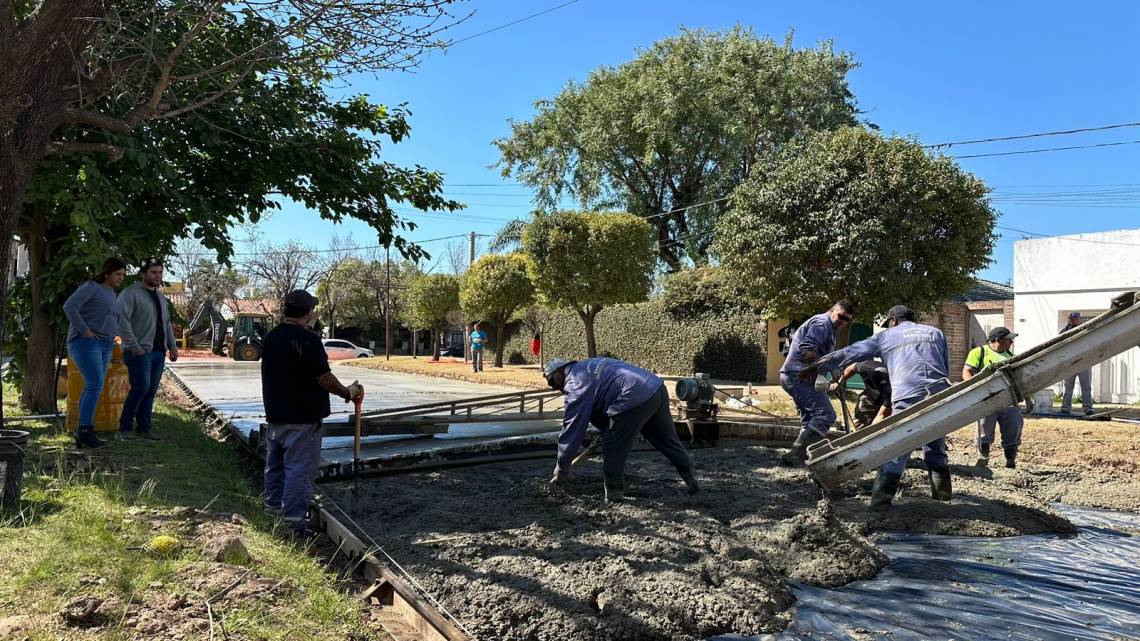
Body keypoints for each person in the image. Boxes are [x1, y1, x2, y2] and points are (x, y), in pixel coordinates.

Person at [801, 305, 952, 512]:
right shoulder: (936, 333)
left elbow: (851, 352)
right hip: (940, 393)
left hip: (908, 393)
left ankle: (880, 504)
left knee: (898, 445)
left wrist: (819, 365)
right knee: (935, 440)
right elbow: (945, 367)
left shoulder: (886, 336)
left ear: (893, 321)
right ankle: (942, 496)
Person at [261, 290, 363, 537]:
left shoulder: (271, 337)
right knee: (299, 469)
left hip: (276, 413)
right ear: (307, 313)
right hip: (302, 417)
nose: (314, 313)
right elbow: (324, 378)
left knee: (274, 466)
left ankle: (271, 513)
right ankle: (293, 524)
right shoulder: (308, 339)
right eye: (313, 309)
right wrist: (347, 392)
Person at [544, 357, 699, 502]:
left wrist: (561, 468)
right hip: (655, 388)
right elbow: (607, 393)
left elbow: (572, 428)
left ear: (560, 371)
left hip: (631, 398)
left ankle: (614, 496)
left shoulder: (575, 382)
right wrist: (607, 428)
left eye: (552, 382)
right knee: (667, 440)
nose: (556, 388)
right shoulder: (589, 364)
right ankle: (692, 481)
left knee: (613, 448)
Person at [779, 300, 855, 465]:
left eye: (847, 320)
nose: (843, 322)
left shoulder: (831, 328)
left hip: (796, 376)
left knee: (810, 419)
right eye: (841, 317)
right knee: (826, 415)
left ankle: (797, 459)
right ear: (832, 310)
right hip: (799, 376)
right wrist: (814, 370)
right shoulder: (822, 323)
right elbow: (808, 347)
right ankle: (795, 454)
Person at [63, 258, 128, 449]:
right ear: (107, 273)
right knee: (94, 384)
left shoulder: (112, 294)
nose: (121, 278)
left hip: (106, 344)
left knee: (94, 386)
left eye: (123, 275)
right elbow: (69, 306)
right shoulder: (92, 286)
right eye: (118, 274)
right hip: (86, 342)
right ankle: (85, 430)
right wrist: (84, 330)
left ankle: (83, 431)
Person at [116, 258, 179, 441]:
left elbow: (166, 323)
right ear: (143, 274)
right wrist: (134, 346)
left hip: (159, 352)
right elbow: (122, 321)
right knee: (139, 388)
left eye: (160, 272)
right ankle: (124, 429)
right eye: (153, 272)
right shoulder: (130, 293)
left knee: (150, 391)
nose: (157, 276)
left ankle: (145, 429)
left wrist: (173, 346)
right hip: (139, 352)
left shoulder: (160, 296)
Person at [963, 327, 1023, 468]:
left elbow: (1017, 379)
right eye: (1009, 339)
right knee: (984, 431)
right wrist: (975, 390)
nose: (1011, 342)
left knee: (1013, 428)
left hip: (1008, 400)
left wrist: (1027, 398)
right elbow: (967, 371)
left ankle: (1010, 461)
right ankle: (983, 460)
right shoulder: (979, 352)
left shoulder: (1010, 355)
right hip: (987, 400)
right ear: (997, 340)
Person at [831, 360, 892, 429]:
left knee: (882, 427)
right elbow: (851, 368)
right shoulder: (866, 367)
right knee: (858, 427)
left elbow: (882, 415)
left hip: (887, 403)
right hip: (869, 398)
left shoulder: (890, 391)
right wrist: (839, 382)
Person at [1059, 312, 1094, 415]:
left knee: (1086, 387)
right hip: (1070, 363)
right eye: (1072, 319)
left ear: (1080, 320)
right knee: (1068, 386)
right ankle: (1065, 408)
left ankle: (1088, 408)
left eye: (1076, 319)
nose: (1074, 321)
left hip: (1084, 361)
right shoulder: (1064, 331)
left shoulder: (1086, 329)